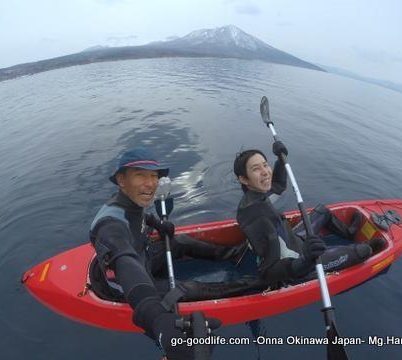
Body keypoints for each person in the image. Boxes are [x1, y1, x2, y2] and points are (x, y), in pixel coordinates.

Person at [89, 147, 252, 360]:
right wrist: (157, 318)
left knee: (179, 242)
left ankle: (231, 253)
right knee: (185, 289)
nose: (150, 183)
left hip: (144, 258)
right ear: (121, 179)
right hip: (128, 284)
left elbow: (140, 216)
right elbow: (125, 261)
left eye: (154, 176)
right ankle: (253, 286)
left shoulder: (129, 200)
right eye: (140, 175)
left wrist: (157, 223)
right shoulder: (109, 226)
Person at [233, 142, 385, 289]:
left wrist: (280, 159)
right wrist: (306, 260)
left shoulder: (257, 195)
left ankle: (349, 233)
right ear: (243, 178)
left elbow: (278, 186)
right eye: (256, 169)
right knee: (363, 252)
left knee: (322, 211)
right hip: (297, 264)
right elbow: (269, 272)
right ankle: (362, 248)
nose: (265, 171)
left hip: (294, 241)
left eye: (265, 165)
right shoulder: (258, 218)